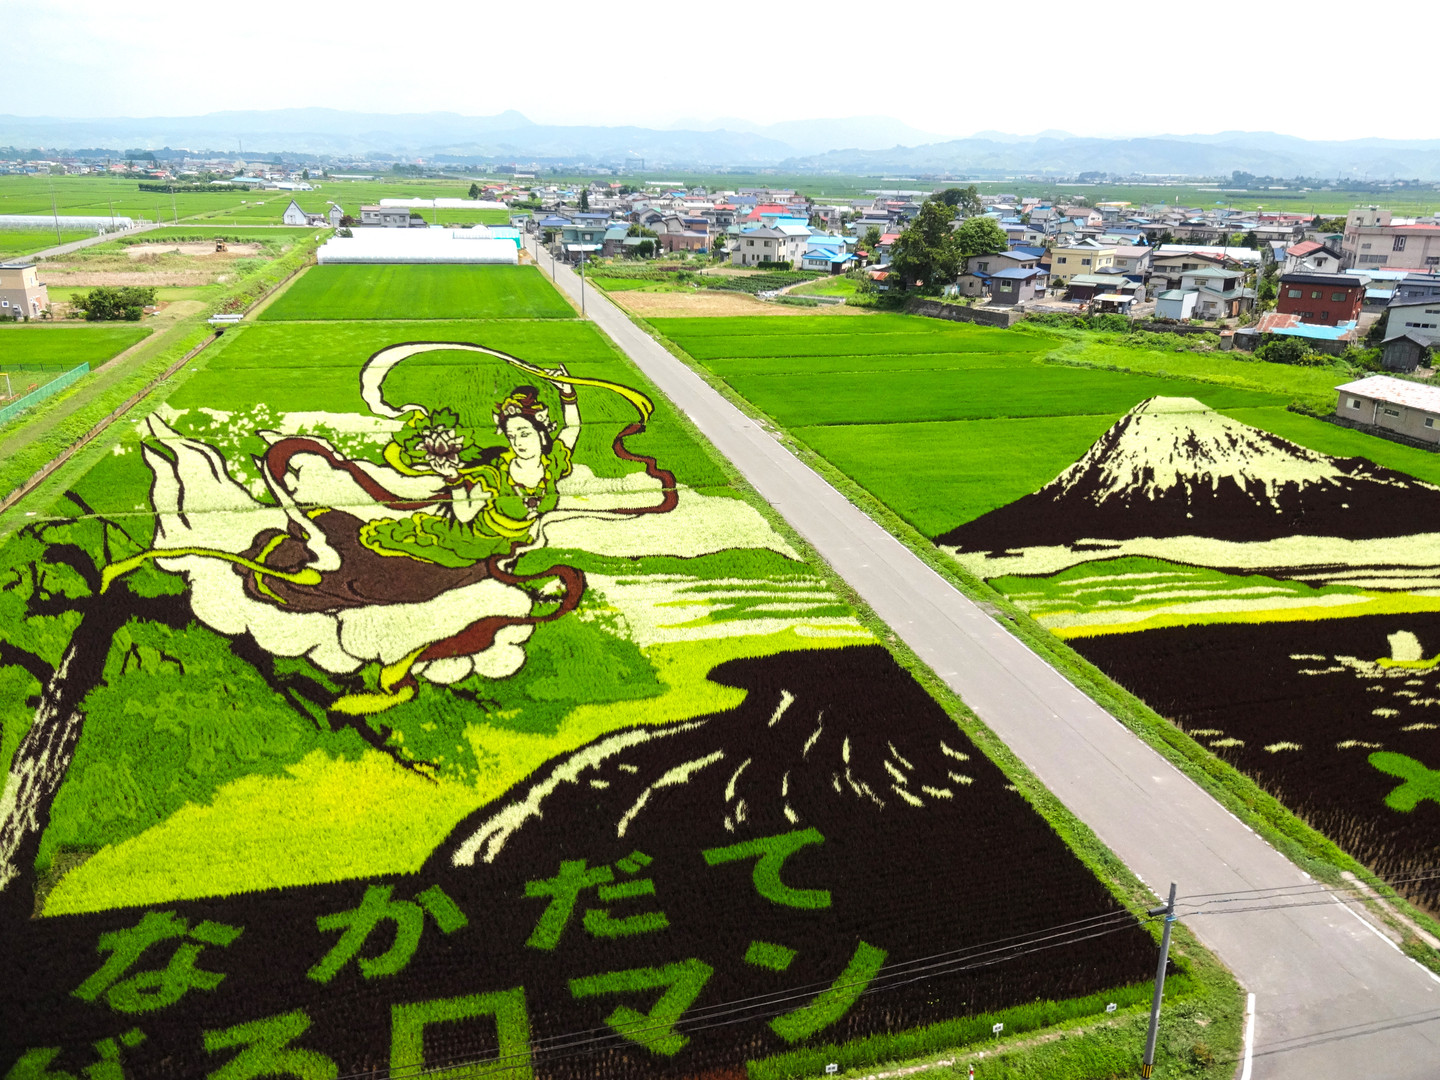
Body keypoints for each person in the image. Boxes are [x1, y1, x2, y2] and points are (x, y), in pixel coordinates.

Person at [358, 372, 580, 569]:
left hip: (516, 542)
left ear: (541, 434)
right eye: (512, 436)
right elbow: (465, 514)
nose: (518, 442)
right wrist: (453, 478)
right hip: (477, 542)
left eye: (524, 433)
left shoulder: (552, 463)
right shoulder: (496, 475)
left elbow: (572, 429)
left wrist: (567, 393)